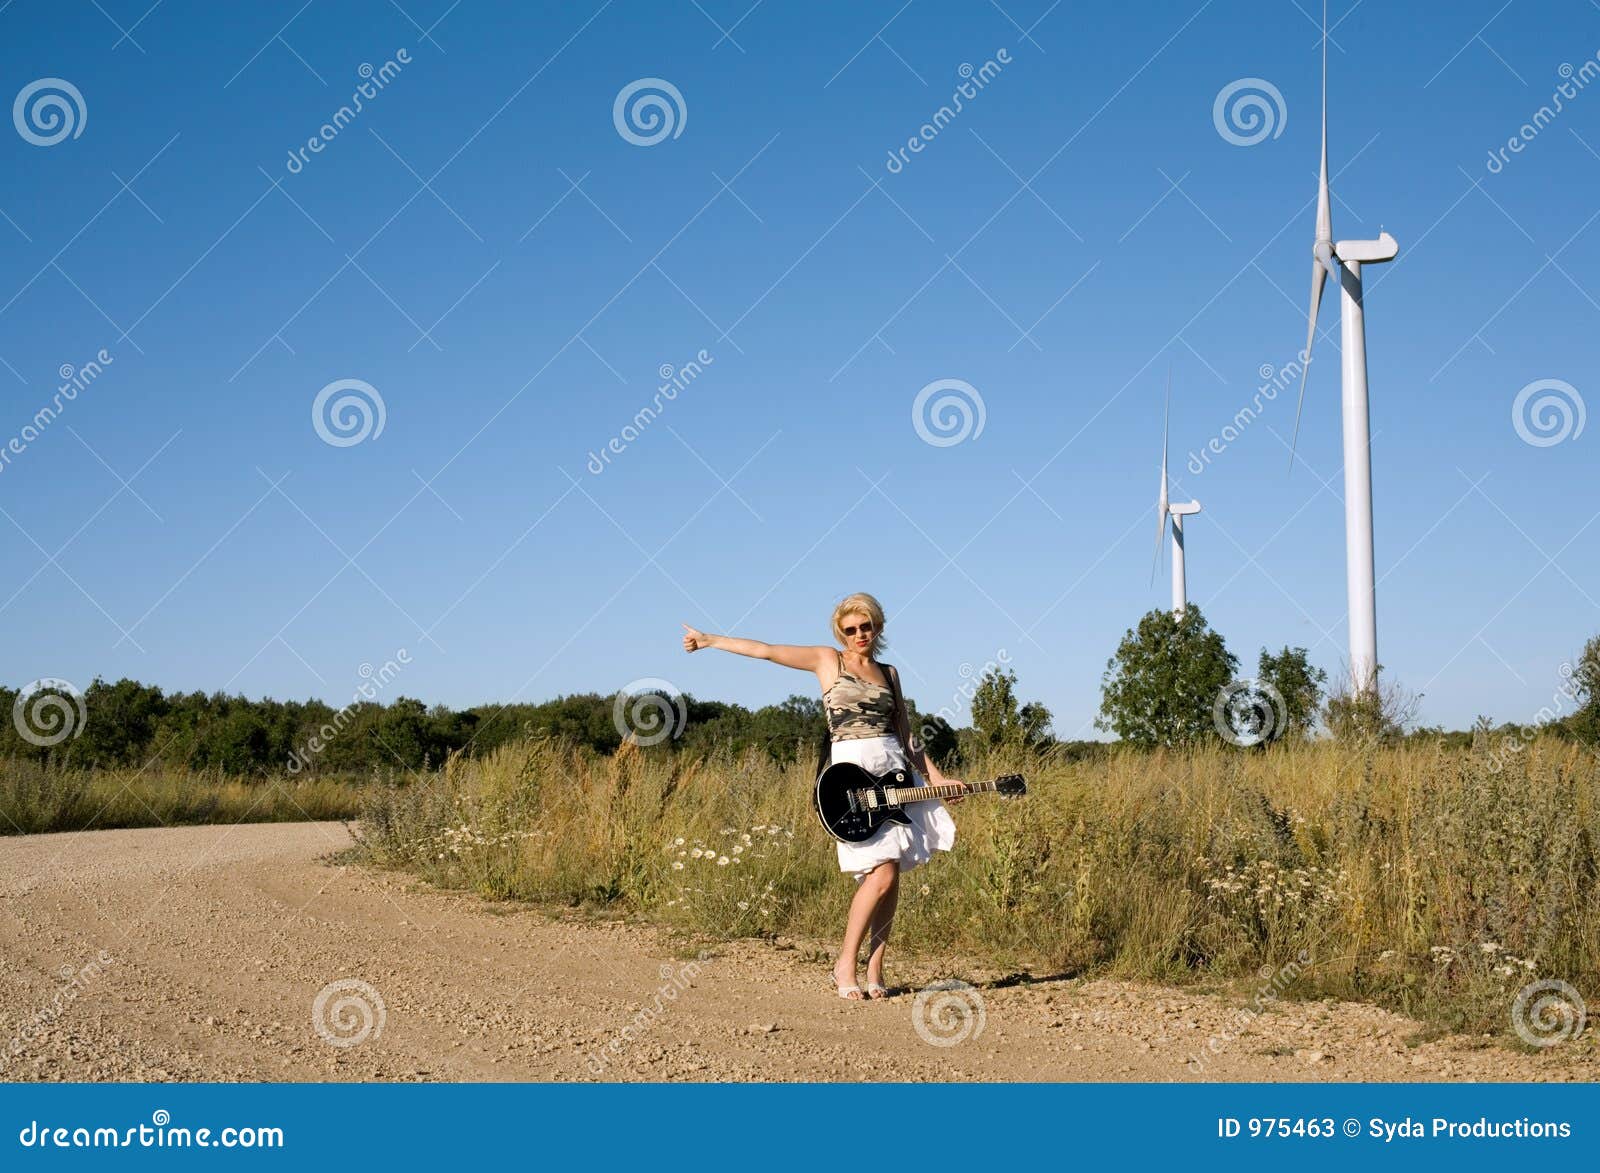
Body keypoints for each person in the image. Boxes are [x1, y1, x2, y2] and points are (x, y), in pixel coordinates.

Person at [681, 592, 965, 1000]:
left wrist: (936, 776)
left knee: (891, 873)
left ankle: (875, 969)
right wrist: (710, 640)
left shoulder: (890, 672)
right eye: (850, 629)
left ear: (877, 626)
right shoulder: (827, 661)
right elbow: (766, 651)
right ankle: (844, 963)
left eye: (865, 626)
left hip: (892, 768)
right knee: (881, 871)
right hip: (850, 774)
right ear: (840, 632)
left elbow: (905, 732)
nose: (858, 635)